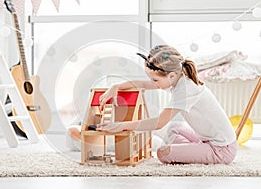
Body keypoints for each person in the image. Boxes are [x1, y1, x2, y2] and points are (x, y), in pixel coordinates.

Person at [97, 45, 238, 165]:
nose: (153, 83)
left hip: (221, 149)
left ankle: (196, 152)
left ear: (171, 75)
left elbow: (159, 123)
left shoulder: (186, 89)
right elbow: (142, 84)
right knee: (174, 128)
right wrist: (116, 86)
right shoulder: (178, 77)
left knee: (162, 153)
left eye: (155, 79)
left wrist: (120, 126)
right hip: (207, 140)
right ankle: (195, 151)